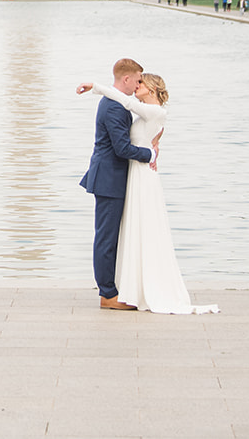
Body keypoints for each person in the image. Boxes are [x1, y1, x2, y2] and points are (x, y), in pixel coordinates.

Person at [78, 72, 217, 315]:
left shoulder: (155, 111)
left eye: (142, 83)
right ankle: (128, 286)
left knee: (141, 229)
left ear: (151, 88)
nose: (137, 86)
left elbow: (129, 108)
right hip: (133, 175)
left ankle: (131, 287)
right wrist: (152, 150)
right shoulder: (144, 111)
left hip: (141, 176)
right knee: (131, 231)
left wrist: (95, 86)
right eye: (136, 81)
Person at [78, 57, 157, 310]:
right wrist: (150, 156)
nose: (138, 85)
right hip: (109, 178)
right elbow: (121, 148)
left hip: (113, 177)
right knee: (106, 238)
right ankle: (108, 294)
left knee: (111, 236)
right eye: (137, 79)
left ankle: (113, 288)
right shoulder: (113, 107)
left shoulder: (117, 102)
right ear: (126, 78)